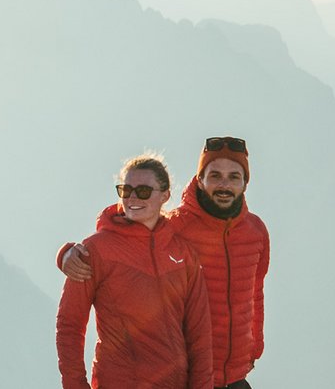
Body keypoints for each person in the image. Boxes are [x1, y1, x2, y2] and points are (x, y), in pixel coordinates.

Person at [61, 137, 269, 389]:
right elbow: (133, 223)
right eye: (214, 175)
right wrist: (69, 253)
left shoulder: (255, 231)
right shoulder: (175, 229)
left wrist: (254, 347)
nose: (224, 184)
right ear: (200, 180)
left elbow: (255, 293)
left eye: (234, 176)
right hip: (182, 377)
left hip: (235, 376)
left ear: (245, 182)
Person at [55, 154, 215, 389]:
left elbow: (199, 334)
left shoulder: (183, 254)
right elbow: (69, 325)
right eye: (125, 190)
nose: (132, 198)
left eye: (143, 191)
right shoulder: (95, 250)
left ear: (165, 196)